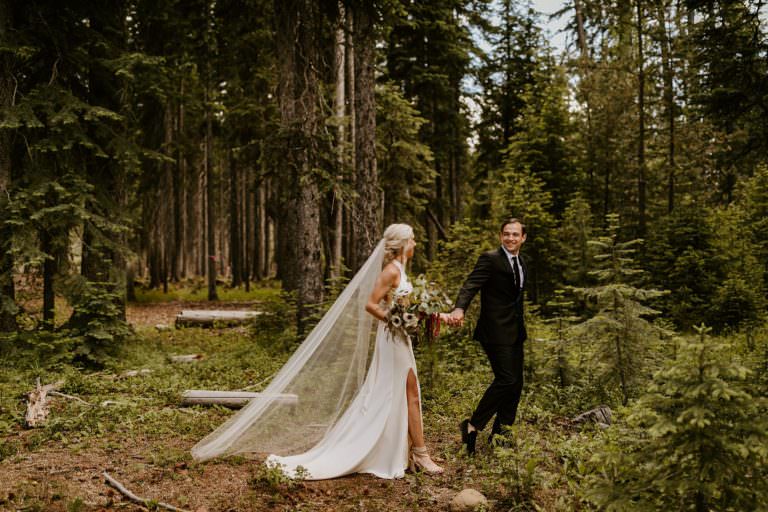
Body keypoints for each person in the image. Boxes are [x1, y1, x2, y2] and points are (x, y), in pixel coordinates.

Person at [192, 223, 443, 479]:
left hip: (400, 338)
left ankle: (412, 451)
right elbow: (370, 304)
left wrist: (417, 318)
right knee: (407, 390)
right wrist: (394, 319)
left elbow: (403, 307)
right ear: (401, 244)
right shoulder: (390, 271)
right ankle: (419, 454)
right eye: (412, 240)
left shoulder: (401, 269)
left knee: (407, 391)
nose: (415, 244)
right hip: (392, 339)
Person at [447, 218, 528, 454]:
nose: (510, 238)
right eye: (506, 234)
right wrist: (459, 308)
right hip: (494, 330)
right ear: (501, 236)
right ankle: (472, 426)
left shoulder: (522, 261)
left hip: (516, 331)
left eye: (515, 234)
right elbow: (471, 284)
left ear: (523, 237)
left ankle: (501, 436)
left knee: (516, 383)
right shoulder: (490, 259)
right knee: (506, 379)